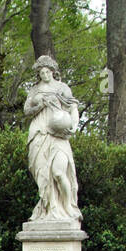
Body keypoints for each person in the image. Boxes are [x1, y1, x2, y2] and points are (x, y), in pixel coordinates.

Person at [23, 55, 82, 222]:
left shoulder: (62, 88)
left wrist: (74, 126)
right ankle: (49, 208)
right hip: (39, 132)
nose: (44, 74)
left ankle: (69, 207)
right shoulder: (34, 90)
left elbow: (73, 108)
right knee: (42, 174)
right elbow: (27, 111)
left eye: (47, 71)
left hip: (58, 135)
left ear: (53, 72)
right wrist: (41, 104)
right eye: (41, 72)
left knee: (58, 172)